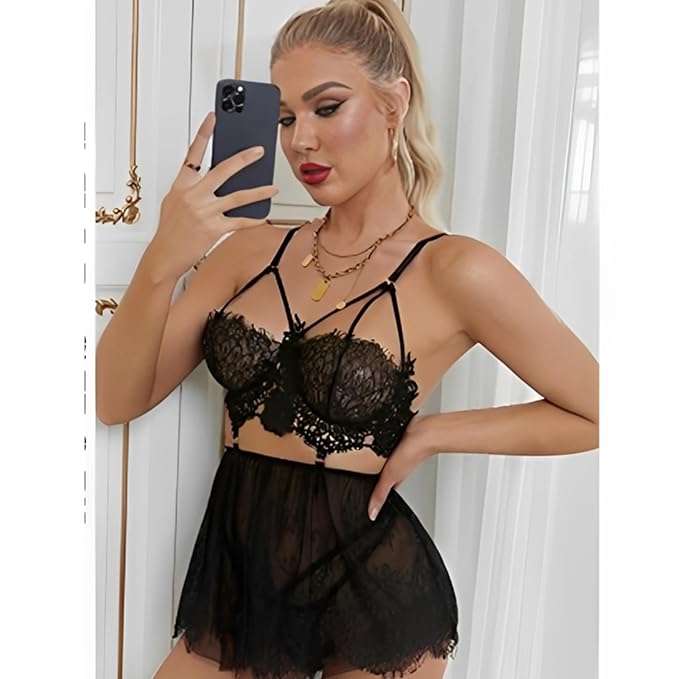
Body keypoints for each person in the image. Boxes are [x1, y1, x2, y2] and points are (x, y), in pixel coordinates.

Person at [96, 1, 599, 678]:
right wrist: (162, 257)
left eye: (326, 108)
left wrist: (434, 433)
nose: (300, 140)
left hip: (373, 595)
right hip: (240, 583)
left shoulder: (456, 270)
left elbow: (598, 409)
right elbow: (116, 399)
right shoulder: (248, 252)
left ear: (394, 105)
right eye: (284, 118)